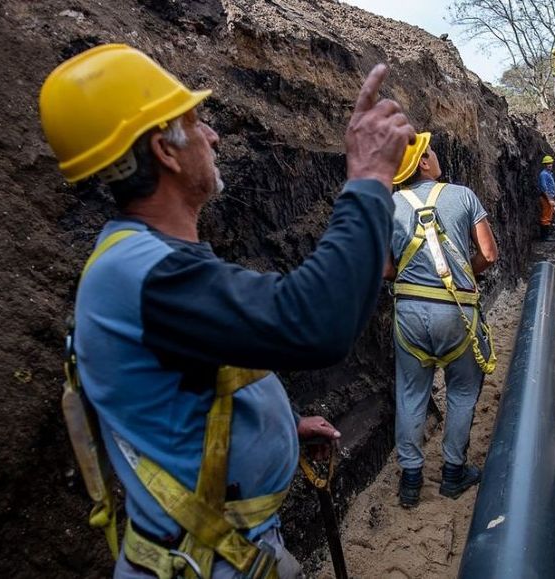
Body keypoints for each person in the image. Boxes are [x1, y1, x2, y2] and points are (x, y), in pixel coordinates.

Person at [39, 44, 414, 579]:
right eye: (195, 122)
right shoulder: (143, 276)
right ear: (165, 152)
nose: (213, 135)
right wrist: (371, 176)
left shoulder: (148, 263)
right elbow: (314, 322)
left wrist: (283, 427)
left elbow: (188, 390)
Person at [382, 132, 498, 508]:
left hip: (409, 315)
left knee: (411, 392)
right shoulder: (463, 195)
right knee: (462, 392)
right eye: (430, 151)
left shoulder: (387, 206)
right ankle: (452, 474)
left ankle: (411, 481)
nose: (435, 155)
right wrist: (468, 273)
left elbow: (385, 268)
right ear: (425, 163)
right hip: (456, 311)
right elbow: (489, 254)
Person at [538, 155, 555, 241]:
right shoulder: (543, 174)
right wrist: (549, 200)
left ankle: (547, 235)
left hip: (549, 197)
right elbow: (543, 187)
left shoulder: (549, 174)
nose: (549, 165)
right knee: (545, 217)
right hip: (545, 198)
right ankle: (544, 237)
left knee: (549, 216)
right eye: (547, 163)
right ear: (544, 164)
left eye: (550, 163)